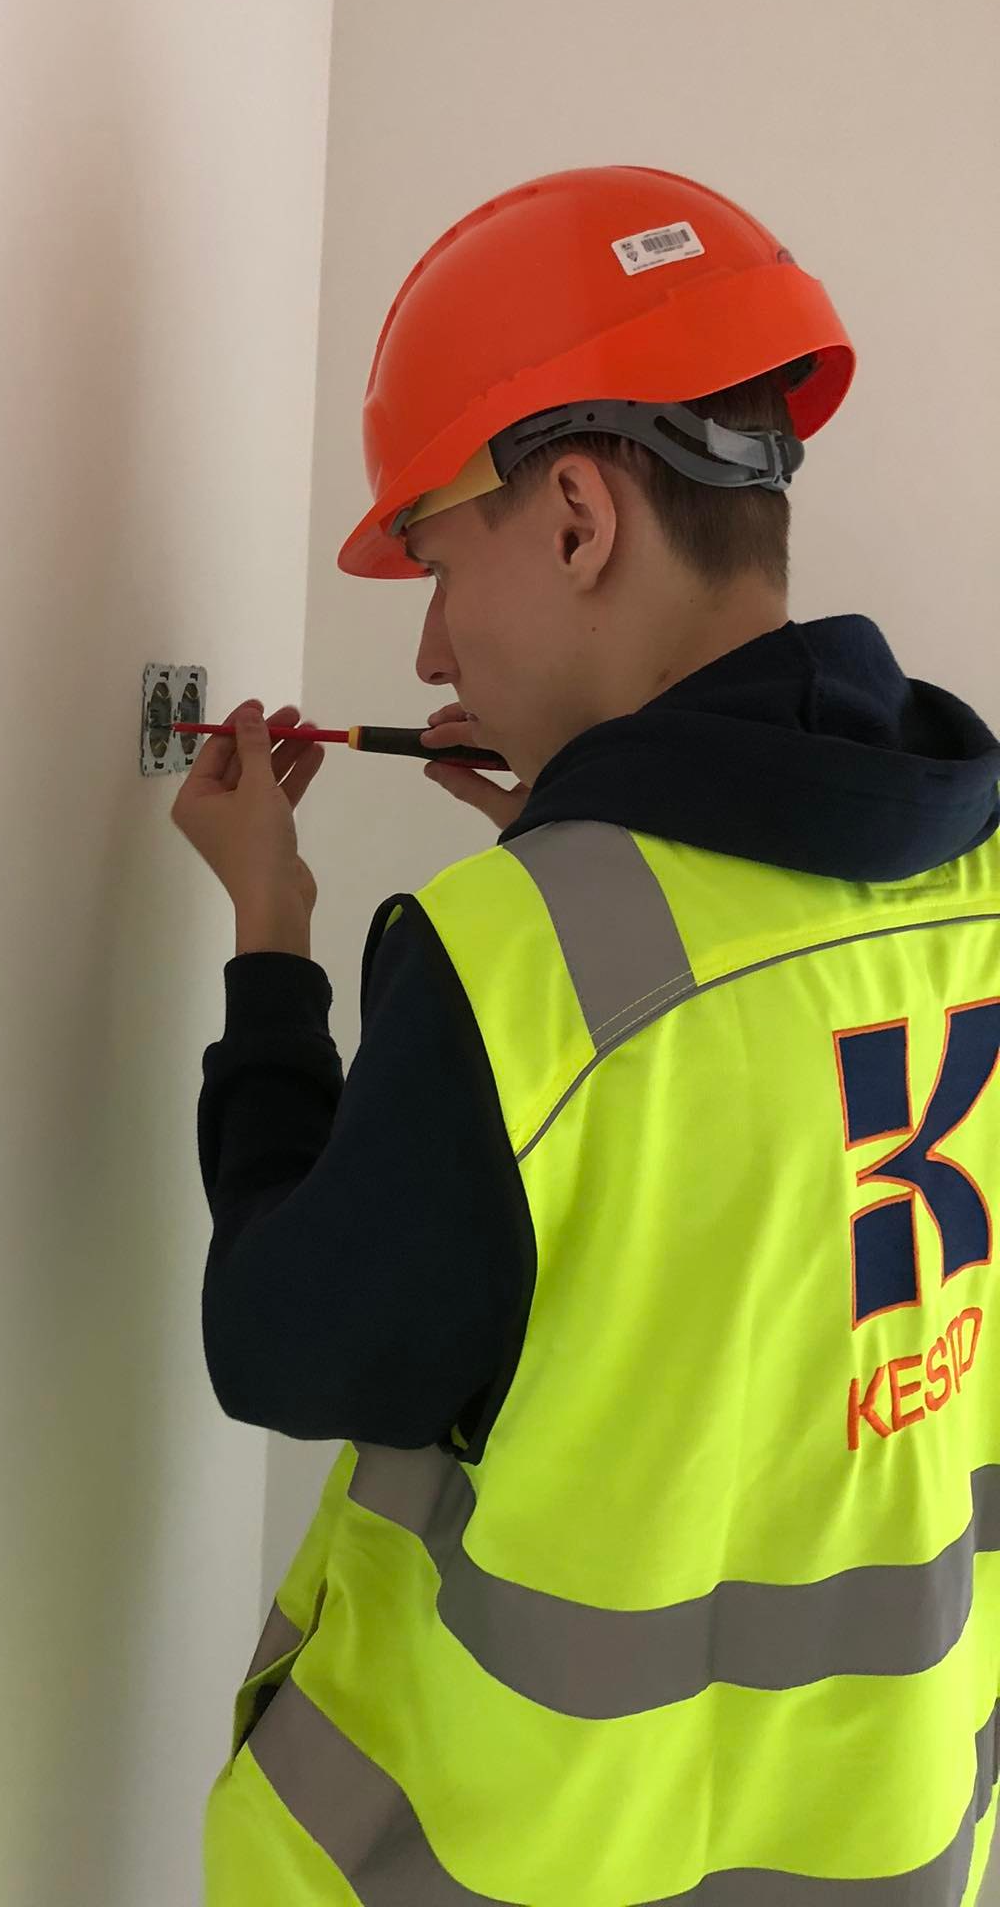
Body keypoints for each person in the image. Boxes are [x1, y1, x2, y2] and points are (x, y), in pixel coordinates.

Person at [173, 165, 1000, 1904]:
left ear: (571, 519)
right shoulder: (969, 879)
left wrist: (273, 937)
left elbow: (285, 1345)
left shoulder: (527, 965)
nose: (427, 645)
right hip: (883, 1849)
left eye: (435, 560)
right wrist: (596, 839)